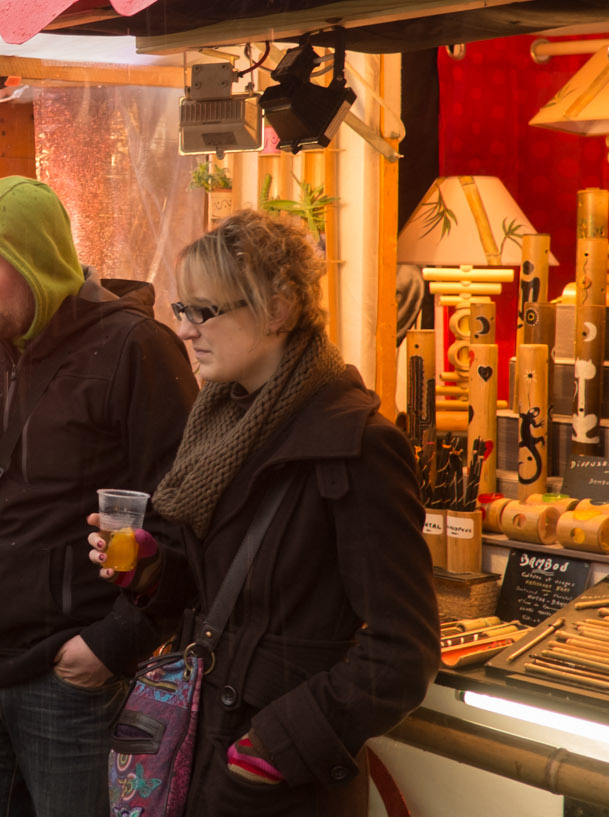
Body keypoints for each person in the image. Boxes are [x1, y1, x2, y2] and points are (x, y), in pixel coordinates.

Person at [90, 210, 440, 816]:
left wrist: (271, 750)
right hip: (207, 750)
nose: (187, 331)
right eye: (181, 311)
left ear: (278, 309)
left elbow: (403, 651)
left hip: (279, 785)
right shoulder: (221, 425)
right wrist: (151, 570)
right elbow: (218, 595)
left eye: (204, 312)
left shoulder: (358, 446)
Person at [0, 176, 198, 816]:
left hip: (67, 674)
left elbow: (185, 514)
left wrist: (115, 642)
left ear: (33, 262)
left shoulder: (134, 347)